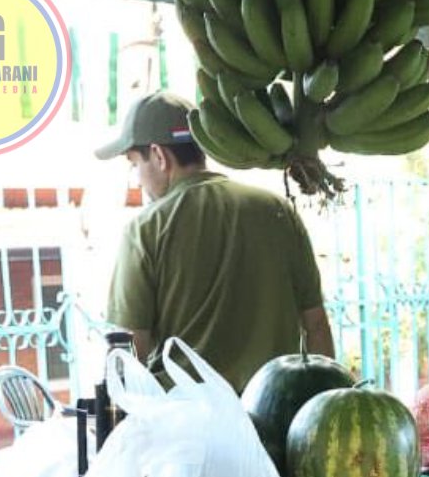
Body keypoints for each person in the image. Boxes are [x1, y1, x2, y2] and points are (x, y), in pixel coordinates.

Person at [96, 91, 334, 391]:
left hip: (183, 416)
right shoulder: (277, 210)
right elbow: (316, 326)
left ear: (159, 156)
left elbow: (130, 354)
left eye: (134, 164)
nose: (137, 178)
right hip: (274, 411)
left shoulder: (145, 229)